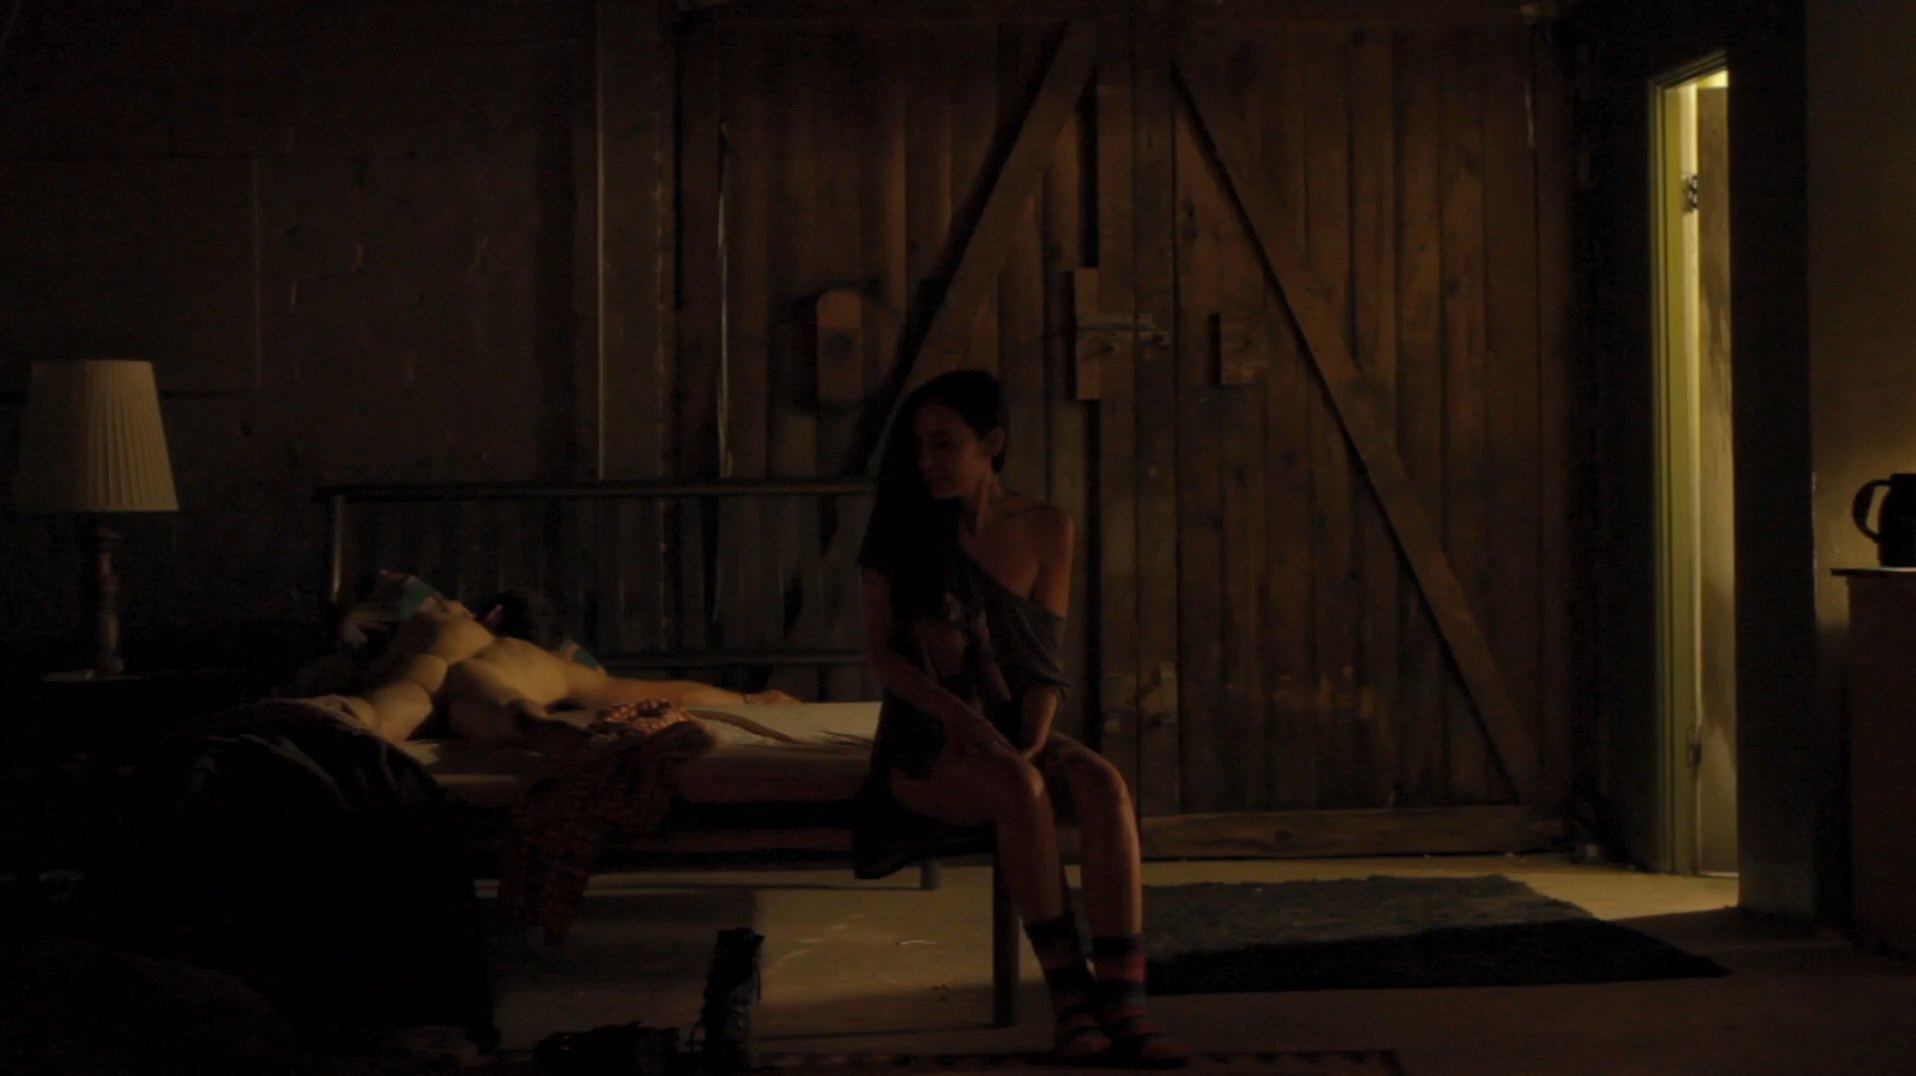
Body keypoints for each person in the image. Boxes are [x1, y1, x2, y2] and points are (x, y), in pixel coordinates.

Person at [853, 370, 1188, 1066]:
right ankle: (1072, 1006)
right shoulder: (899, 531)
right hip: (928, 736)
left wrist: (1032, 738)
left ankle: (1125, 1002)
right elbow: (886, 659)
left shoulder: (1045, 527)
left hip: (1010, 722)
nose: (926, 460)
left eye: (944, 443)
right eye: (918, 445)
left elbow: (1042, 662)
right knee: (1018, 786)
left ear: (993, 442)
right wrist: (970, 726)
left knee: (1103, 785)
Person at [357, 593, 799, 749]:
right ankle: (536, 726)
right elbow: (664, 694)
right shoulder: (549, 664)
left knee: (389, 707)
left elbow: (361, 654)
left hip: (420, 678)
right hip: (498, 684)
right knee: (502, 703)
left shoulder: (446, 618)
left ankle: (348, 718)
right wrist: (750, 700)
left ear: (492, 613)